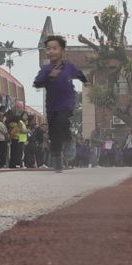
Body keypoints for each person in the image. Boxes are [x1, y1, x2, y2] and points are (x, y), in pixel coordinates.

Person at [32, 35, 88, 173]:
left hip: (66, 101)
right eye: (48, 49)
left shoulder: (68, 67)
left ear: (62, 50)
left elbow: (79, 74)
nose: (51, 51)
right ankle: (57, 159)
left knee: (62, 121)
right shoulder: (46, 69)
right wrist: (50, 76)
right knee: (54, 133)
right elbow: (37, 83)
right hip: (51, 105)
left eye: (54, 48)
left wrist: (86, 81)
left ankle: (68, 140)